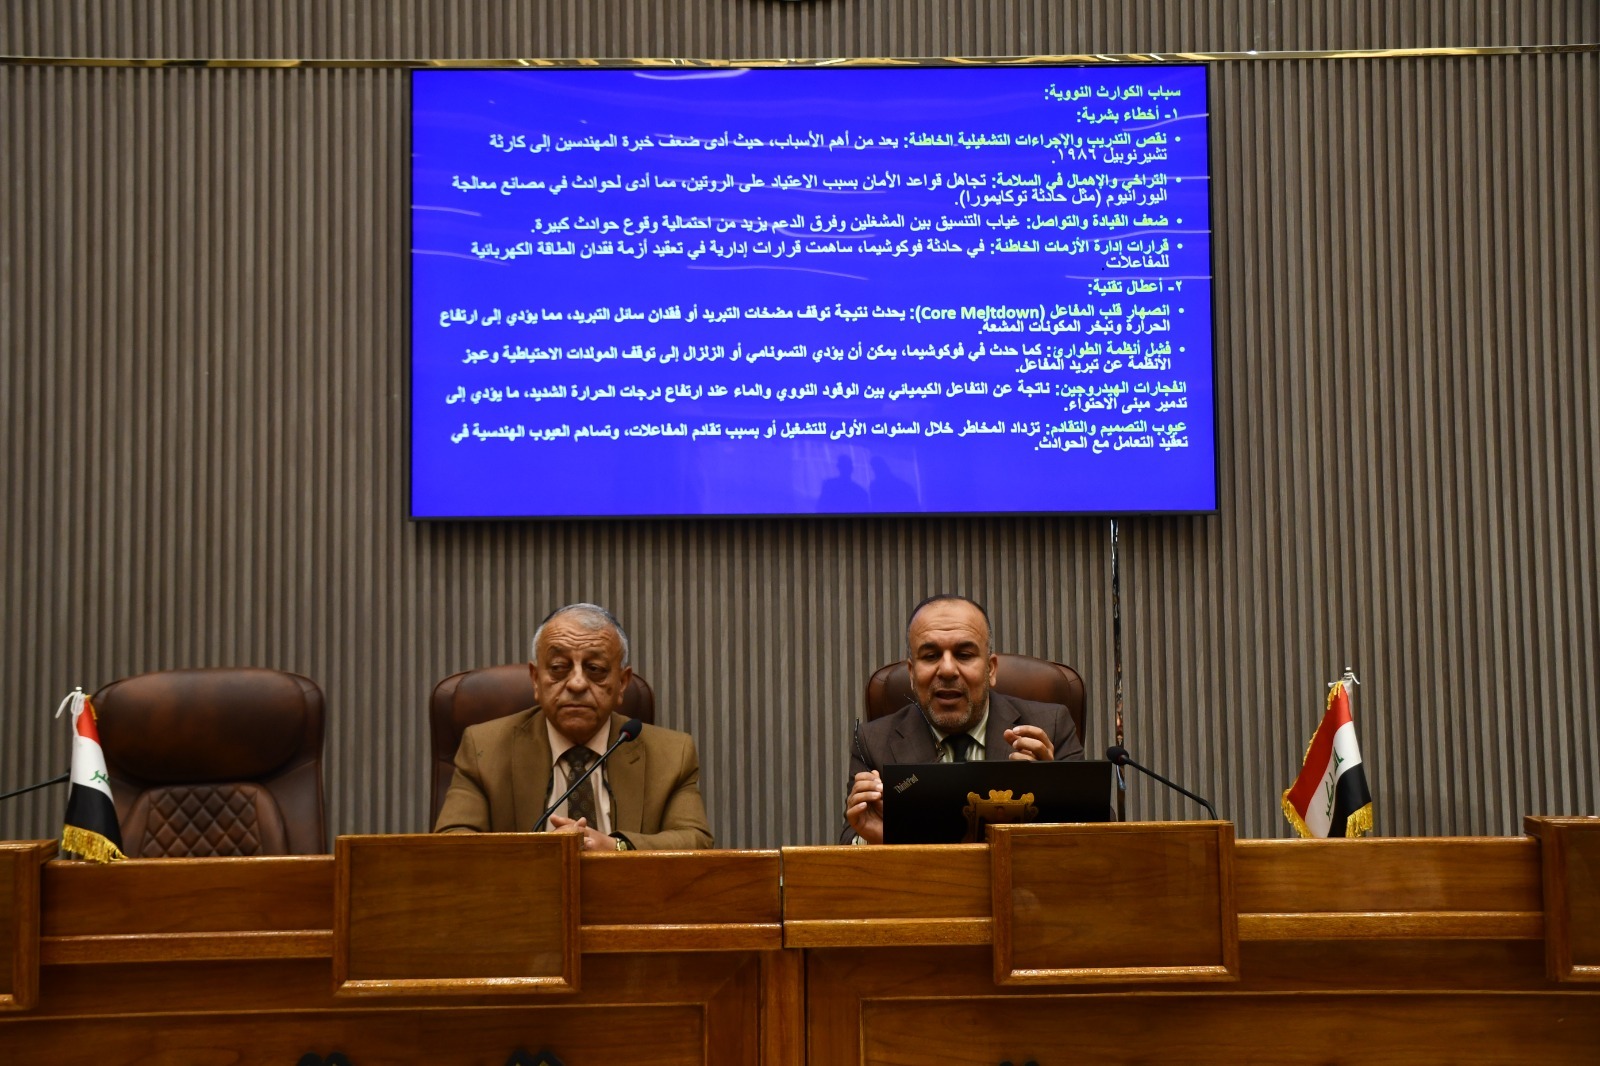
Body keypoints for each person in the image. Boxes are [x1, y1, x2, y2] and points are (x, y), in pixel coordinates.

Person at [434, 603, 714, 850]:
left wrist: (616, 847)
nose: (577, 683)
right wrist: (542, 854)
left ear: (622, 684)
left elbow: (695, 840)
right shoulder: (484, 748)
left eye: (595, 669)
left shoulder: (672, 754)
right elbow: (451, 844)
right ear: (536, 680)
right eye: (558, 667)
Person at [842, 594, 1083, 844]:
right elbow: (850, 838)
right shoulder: (873, 742)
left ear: (990, 669)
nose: (947, 670)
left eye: (964, 654)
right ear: (912, 675)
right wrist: (878, 840)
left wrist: (1052, 795)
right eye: (931, 656)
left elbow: (1095, 835)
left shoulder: (1051, 726)